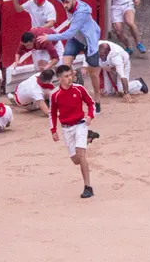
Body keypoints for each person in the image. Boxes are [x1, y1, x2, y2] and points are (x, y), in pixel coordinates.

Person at [34, 0, 103, 113]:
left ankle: (97, 99)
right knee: (65, 67)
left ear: (74, 0)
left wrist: (49, 37)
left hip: (89, 41)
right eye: (63, 2)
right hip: (76, 39)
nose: (65, 6)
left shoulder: (81, 13)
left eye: (67, 3)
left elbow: (68, 34)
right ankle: (73, 89)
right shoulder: (66, 0)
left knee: (93, 73)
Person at [49, 64, 97, 199]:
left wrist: (90, 115)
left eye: (70, 75)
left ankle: (88, 187)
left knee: (81, 154)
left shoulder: (79, 89)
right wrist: (53, 130)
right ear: (60, 79)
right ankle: (88, 138)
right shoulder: (55, 95)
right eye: (66, 76)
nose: (70, 78)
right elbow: (52, 113)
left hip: (80, 124)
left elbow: (91, 103)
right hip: (66, 128)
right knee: (75, 160)